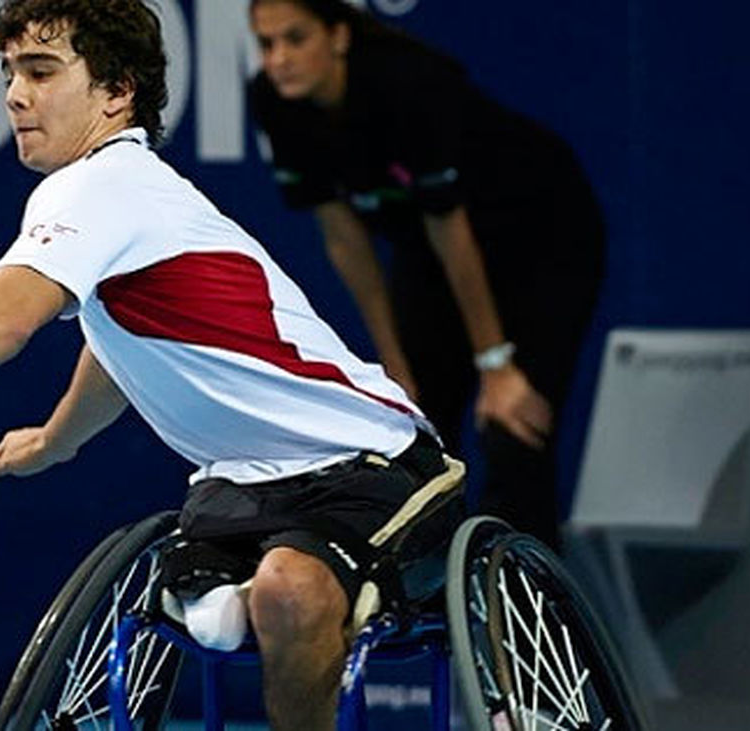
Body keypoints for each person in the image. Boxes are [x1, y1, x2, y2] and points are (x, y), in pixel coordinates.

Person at [0, 0, 462, 727]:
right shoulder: (120, 194)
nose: (13, 93)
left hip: (368, 461)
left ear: (116, 91)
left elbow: (1, 318)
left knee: (287, 590)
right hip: (243, 488)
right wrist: (56, 438)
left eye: (41, 71)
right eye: (9, 72)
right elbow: (119, 345)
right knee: (219, 612)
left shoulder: (104, 184)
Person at [248, 0, 605, 551]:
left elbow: (452, 229)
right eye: (267, 44)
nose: (280, 60)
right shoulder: (275, 102)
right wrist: (395, 364)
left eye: (296, 39)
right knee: (413, 427)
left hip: (543, 241)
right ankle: (426, 608)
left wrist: (496, 365)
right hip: (429, 251)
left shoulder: (407, 86)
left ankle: (522, 617)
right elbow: (345, 238)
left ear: (338, 36)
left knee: (513, 426)